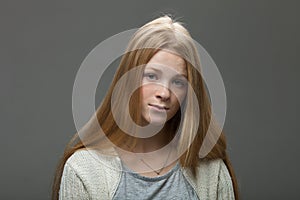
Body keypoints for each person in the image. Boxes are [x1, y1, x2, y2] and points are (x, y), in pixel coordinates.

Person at [52, 15, 239, 200]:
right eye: (152, 76)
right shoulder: (84, 170)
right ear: (128, 80)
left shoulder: (212, 172)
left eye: (178, 82)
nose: (164, 93)